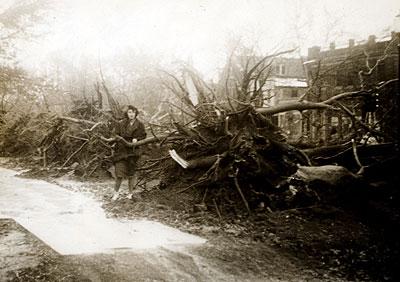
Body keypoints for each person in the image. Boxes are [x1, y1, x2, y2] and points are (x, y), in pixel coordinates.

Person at [112, 105, 146, 200]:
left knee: (131, 174)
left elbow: (144, 136)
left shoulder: (140, 125)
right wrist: (119, 140)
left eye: (133, 112)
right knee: (119, 174)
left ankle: (130, 194)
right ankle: (116, 193)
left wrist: (137, 139)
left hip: (133, 152)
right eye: (129, 112)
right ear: (127, 113)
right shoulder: (121, 123)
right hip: (121, 152)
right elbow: (115, 135)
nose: (131, 114)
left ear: (136, 113)